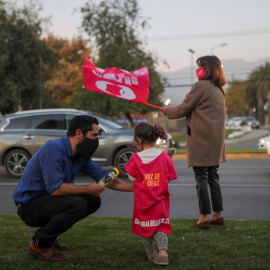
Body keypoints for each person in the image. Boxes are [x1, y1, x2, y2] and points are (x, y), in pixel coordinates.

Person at [12, 115, 133, 262]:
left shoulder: (80, 155)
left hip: (48, 202)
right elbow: (55, 189)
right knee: (78, 203)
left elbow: (105, 179)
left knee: (92, 201)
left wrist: (138, 187)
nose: (96, 140)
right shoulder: (54, 149)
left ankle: (51, 236)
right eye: (94, 135)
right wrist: (89, 188)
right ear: (79, 134)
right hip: (29, 206)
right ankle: (39, 244)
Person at [161, 55, 226, 230]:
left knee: (201, 179)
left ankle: (203, 218)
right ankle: (217, 215)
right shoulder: (218, 88)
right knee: (213, 178)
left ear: (208, 69)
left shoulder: (200, 86)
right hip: (215, 142)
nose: (199, 70)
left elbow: (184, 108)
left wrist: (167, 111)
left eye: (202, 66)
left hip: (201, 141)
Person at [125, 122, 177, 266]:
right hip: (160, 202)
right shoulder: (165, 157)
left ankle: (150, 253)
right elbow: (170, 177)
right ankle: (163, 252)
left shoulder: (136, 158)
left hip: (143, 203)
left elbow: (131, 177)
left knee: (146, 228)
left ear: (139, 141)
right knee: (161, 226)